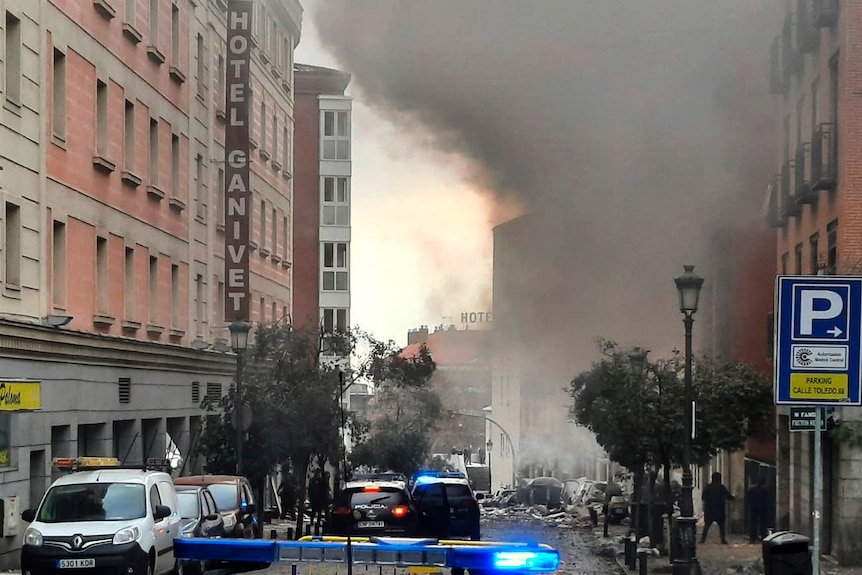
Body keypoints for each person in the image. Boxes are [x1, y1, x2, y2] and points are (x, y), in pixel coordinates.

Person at [700, 472, 735, 544]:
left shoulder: (708, 487)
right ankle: (723, 540)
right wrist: (734, 497)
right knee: (721, 526)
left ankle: (702, 540)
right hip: (720, 509)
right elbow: (729, 497)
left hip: (709, 509)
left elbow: (703, 497)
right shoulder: (722, 487)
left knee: (706, 526)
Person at [747, 475, 770, 544]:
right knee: (763, 524)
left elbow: (748, 498)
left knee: (753, 524)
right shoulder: (765, 490)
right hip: (762, 509)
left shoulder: (751, 489)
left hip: (753, 508)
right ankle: (763, 537)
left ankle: (752, 539)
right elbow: (767, 499)